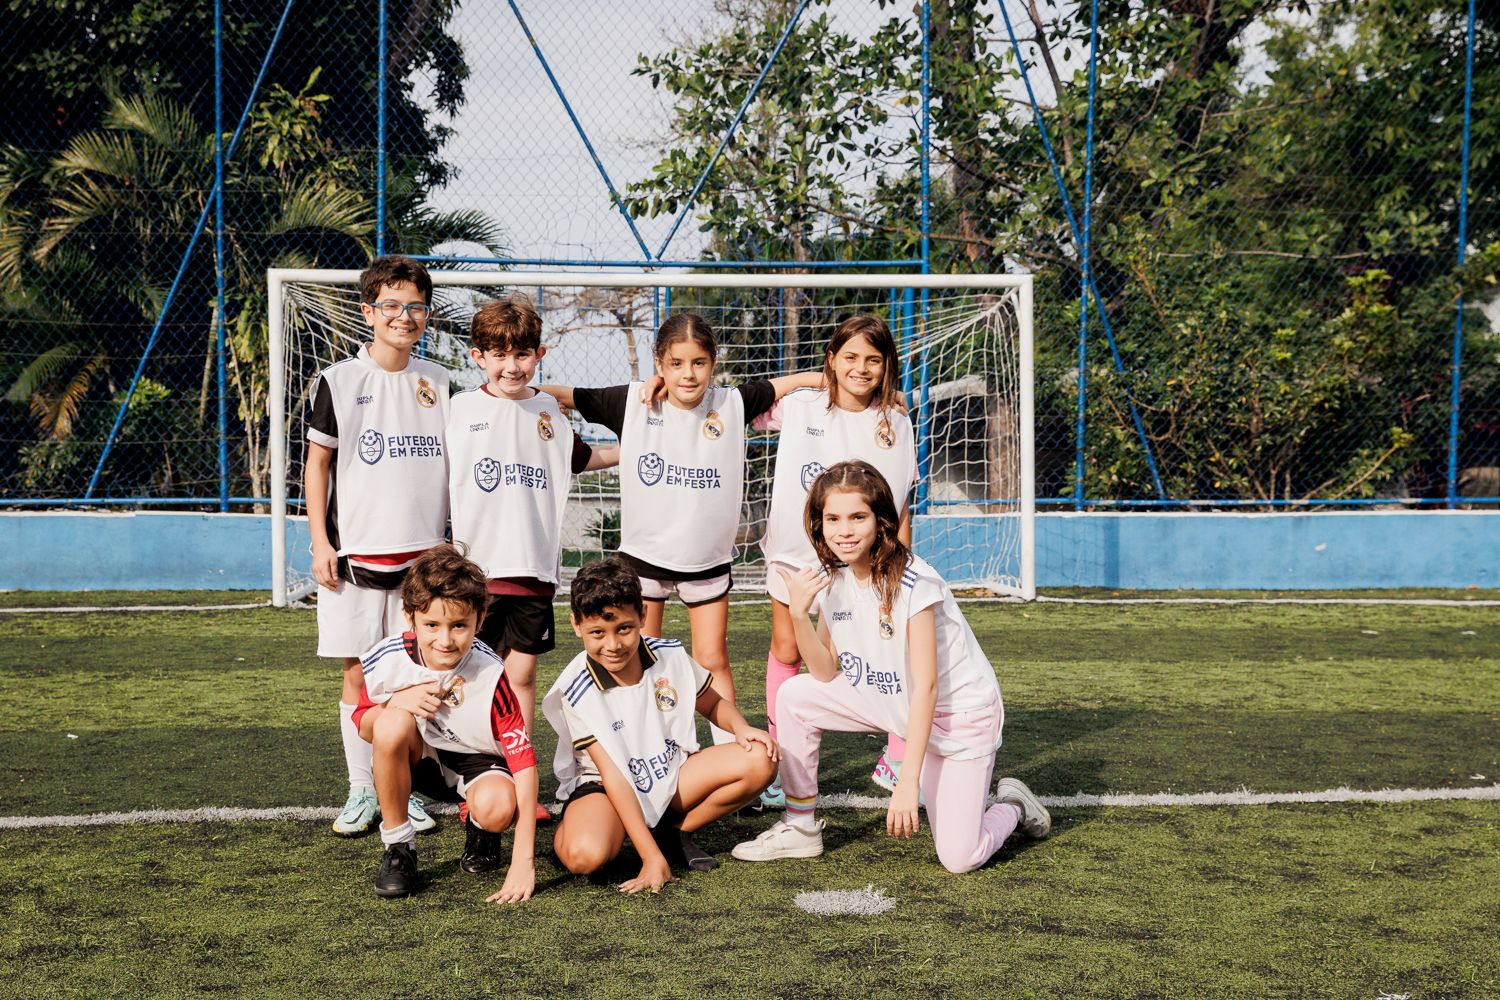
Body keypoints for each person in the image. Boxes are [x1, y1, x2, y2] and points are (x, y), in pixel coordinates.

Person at [731, 460, 1050, 873]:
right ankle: (799, 826)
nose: (844, 530)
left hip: (955, 719)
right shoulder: (835, 580)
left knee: (958, 857)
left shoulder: (915, 582)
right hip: (890, 702)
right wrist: (797, 615)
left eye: (857, 517)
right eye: (833, 518)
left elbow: (927, 689)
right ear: (818, 524)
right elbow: (825, 672)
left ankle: (1011, 804)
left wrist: (907, 781)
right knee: (795, 694)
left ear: (881, 521)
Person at [538, 314, 819, 747]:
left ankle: (730, 753)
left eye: (699, 363)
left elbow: (790, 384)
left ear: (713, 363)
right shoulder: (632, 401)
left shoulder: (732, 402)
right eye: (677, 363)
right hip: (643, 560)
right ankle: (646, 750)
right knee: (639, 660)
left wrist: (832, 377)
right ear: (660, 364)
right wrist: (516, 392)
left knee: (711, 658)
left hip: (706, 561)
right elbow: (564, 395)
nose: (688, 374)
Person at [447, 296, 617, 823]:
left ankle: (519, 783)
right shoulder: (458, 410)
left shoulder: (547, 410)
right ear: (478, 356)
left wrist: (648, 445)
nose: (511, 365)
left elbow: (583, 460)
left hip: (535, 574)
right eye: (498, 354)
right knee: (470, 680)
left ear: (539, 353)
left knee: (519, 680)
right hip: (476, 576)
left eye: (522, 354)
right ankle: (473, 779)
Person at [304, 254, 449, 837]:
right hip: (355, 559)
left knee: (417, 677)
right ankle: (362, 788)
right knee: (358, 677)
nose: (404, 316)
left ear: (426, 313)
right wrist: (320, 542)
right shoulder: (337, 381)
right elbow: (316, 466)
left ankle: (404, 786)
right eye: (391, 305)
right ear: (369, 311)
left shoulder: (438, 382)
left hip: (423, 561)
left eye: (415, 306)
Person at [541, 556, 778, 893]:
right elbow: (615, 776)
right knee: (585, 856)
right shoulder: (576, 689)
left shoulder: (670, 655)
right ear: (576, 626)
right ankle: (589, 827)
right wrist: (650, 860)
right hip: (607, 789)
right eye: (597, 632)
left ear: (642, 616)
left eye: (623, 628)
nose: (613, 644)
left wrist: (741, 728)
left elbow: (712, 703)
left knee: (760, 756)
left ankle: (674, 831)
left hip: (668, 774)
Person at [758, 314, 917, 806]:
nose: (861, 368)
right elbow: (743, 399)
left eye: (873, 359)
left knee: (886, 651)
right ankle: (784, 761)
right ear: (831, 360)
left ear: (887, 365)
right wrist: (809, 378)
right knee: (789, 649)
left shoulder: (898, 420)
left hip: (869, 563)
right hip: (797, 554)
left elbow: (902, 502)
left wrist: (903, 563)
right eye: (849, 357)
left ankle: (899, 754)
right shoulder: (800, 406)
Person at [353, 544, 540, 901]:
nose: (445, 639)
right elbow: (363, 724)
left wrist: (523, 858)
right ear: (409, 617)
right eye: (432, 625)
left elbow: (525, 764)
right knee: (390, 724)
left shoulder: (491, 674)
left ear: (480, 620)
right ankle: (398, 847)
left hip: (476, 762)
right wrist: (396, 702)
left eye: (458, 626)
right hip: (420, 757)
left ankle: (481, 825)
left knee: (499, 808)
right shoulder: (388, 659)